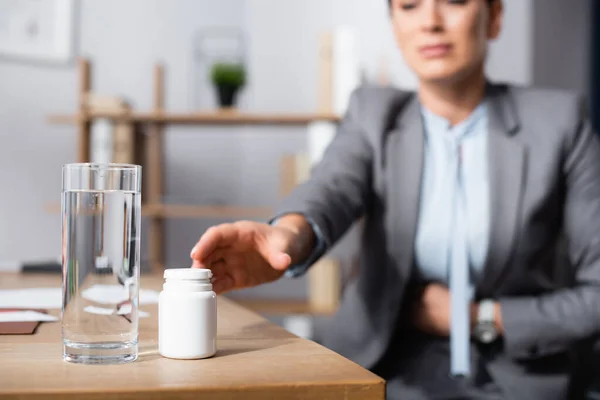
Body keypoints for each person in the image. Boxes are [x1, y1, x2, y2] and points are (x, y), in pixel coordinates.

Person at [189, 0, 600, 398]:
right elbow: (331, 188)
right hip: (387, 367)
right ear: (394, 25)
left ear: (493, 17)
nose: (430, 22)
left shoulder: (560, 124)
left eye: (454, 1)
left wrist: (478, 318)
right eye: (409, 5)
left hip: (519, 378)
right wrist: (287, 235)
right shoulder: (373, 114)